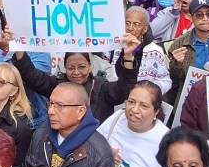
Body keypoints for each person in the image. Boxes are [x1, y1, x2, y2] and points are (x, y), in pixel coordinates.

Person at [12, 33, 141, 122]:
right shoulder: (57, 86)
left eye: (82, 67)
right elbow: (31, 75)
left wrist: (128, 56)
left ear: (90, 66)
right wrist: (18, 47)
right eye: (70, 68)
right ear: (64, 68)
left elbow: (124, 88)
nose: (76, 72)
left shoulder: (102, 88)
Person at [96, 81, 170, 167]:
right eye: (131, 102)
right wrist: (105, 153)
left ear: (156, 111)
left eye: (143, 106)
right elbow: (93, 145)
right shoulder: (117, 118)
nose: (134, 110)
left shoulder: (166, 140)